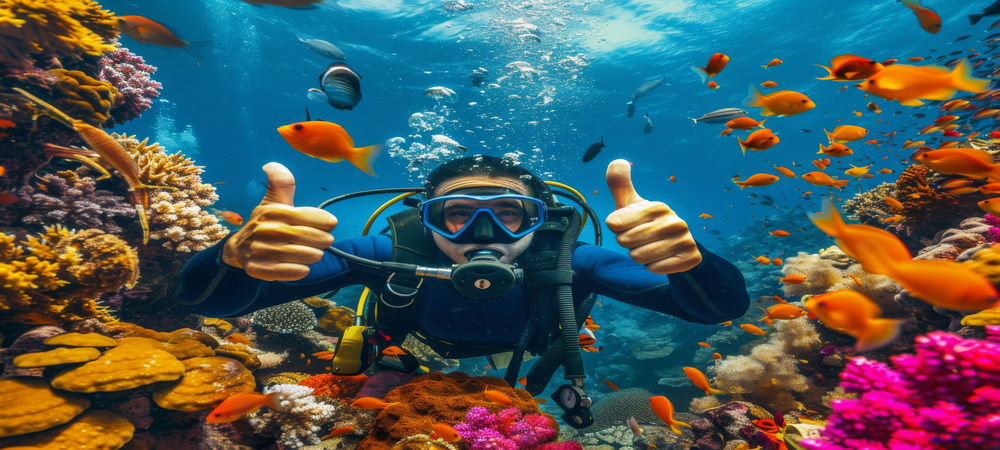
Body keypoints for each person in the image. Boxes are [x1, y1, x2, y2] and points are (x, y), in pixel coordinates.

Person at [177, 155, 750, 426]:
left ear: (540, 221)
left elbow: (714, 309)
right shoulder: (389, 253)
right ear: (425, 222)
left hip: (521, 355)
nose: (484, 236)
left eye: (510, 215)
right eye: (455, 216)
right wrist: (232, 258)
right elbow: (211, 303)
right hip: (411, 347)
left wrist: (691, 262)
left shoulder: (572, 261)